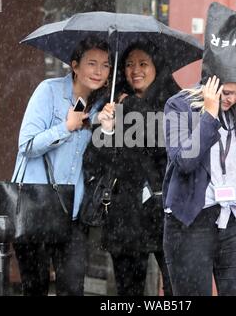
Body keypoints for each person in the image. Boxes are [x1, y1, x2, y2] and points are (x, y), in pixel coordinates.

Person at [162, 1, 236, 296]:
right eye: (226, 92)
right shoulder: (178, 106)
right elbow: (184, 162)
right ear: (211, 83)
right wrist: (210, 116)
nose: (230, 99)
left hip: (235, 219)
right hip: (190, 222)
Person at [12, 36, 111, 296]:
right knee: (35, 289)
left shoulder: (102, 106)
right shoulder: (49, 91)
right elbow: (27, 145)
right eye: (92, 63)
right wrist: (66, 127)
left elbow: (100, 161)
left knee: (72, 288)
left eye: (105, 65)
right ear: (75, 66)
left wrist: (109, 130)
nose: (99, 71)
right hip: (36, 209)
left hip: (73, 214)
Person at [83, 42, 179, 296]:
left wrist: (134, 108)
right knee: (128, 292)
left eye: (143, 63)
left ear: (157, 67)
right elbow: (94, 162)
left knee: (177, 288)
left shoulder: (176, 102)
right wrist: (106, 128)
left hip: (168, 213)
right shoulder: (112, 105)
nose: (135, 70)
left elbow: (165, 150)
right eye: (128, 64)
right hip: (126, 217)